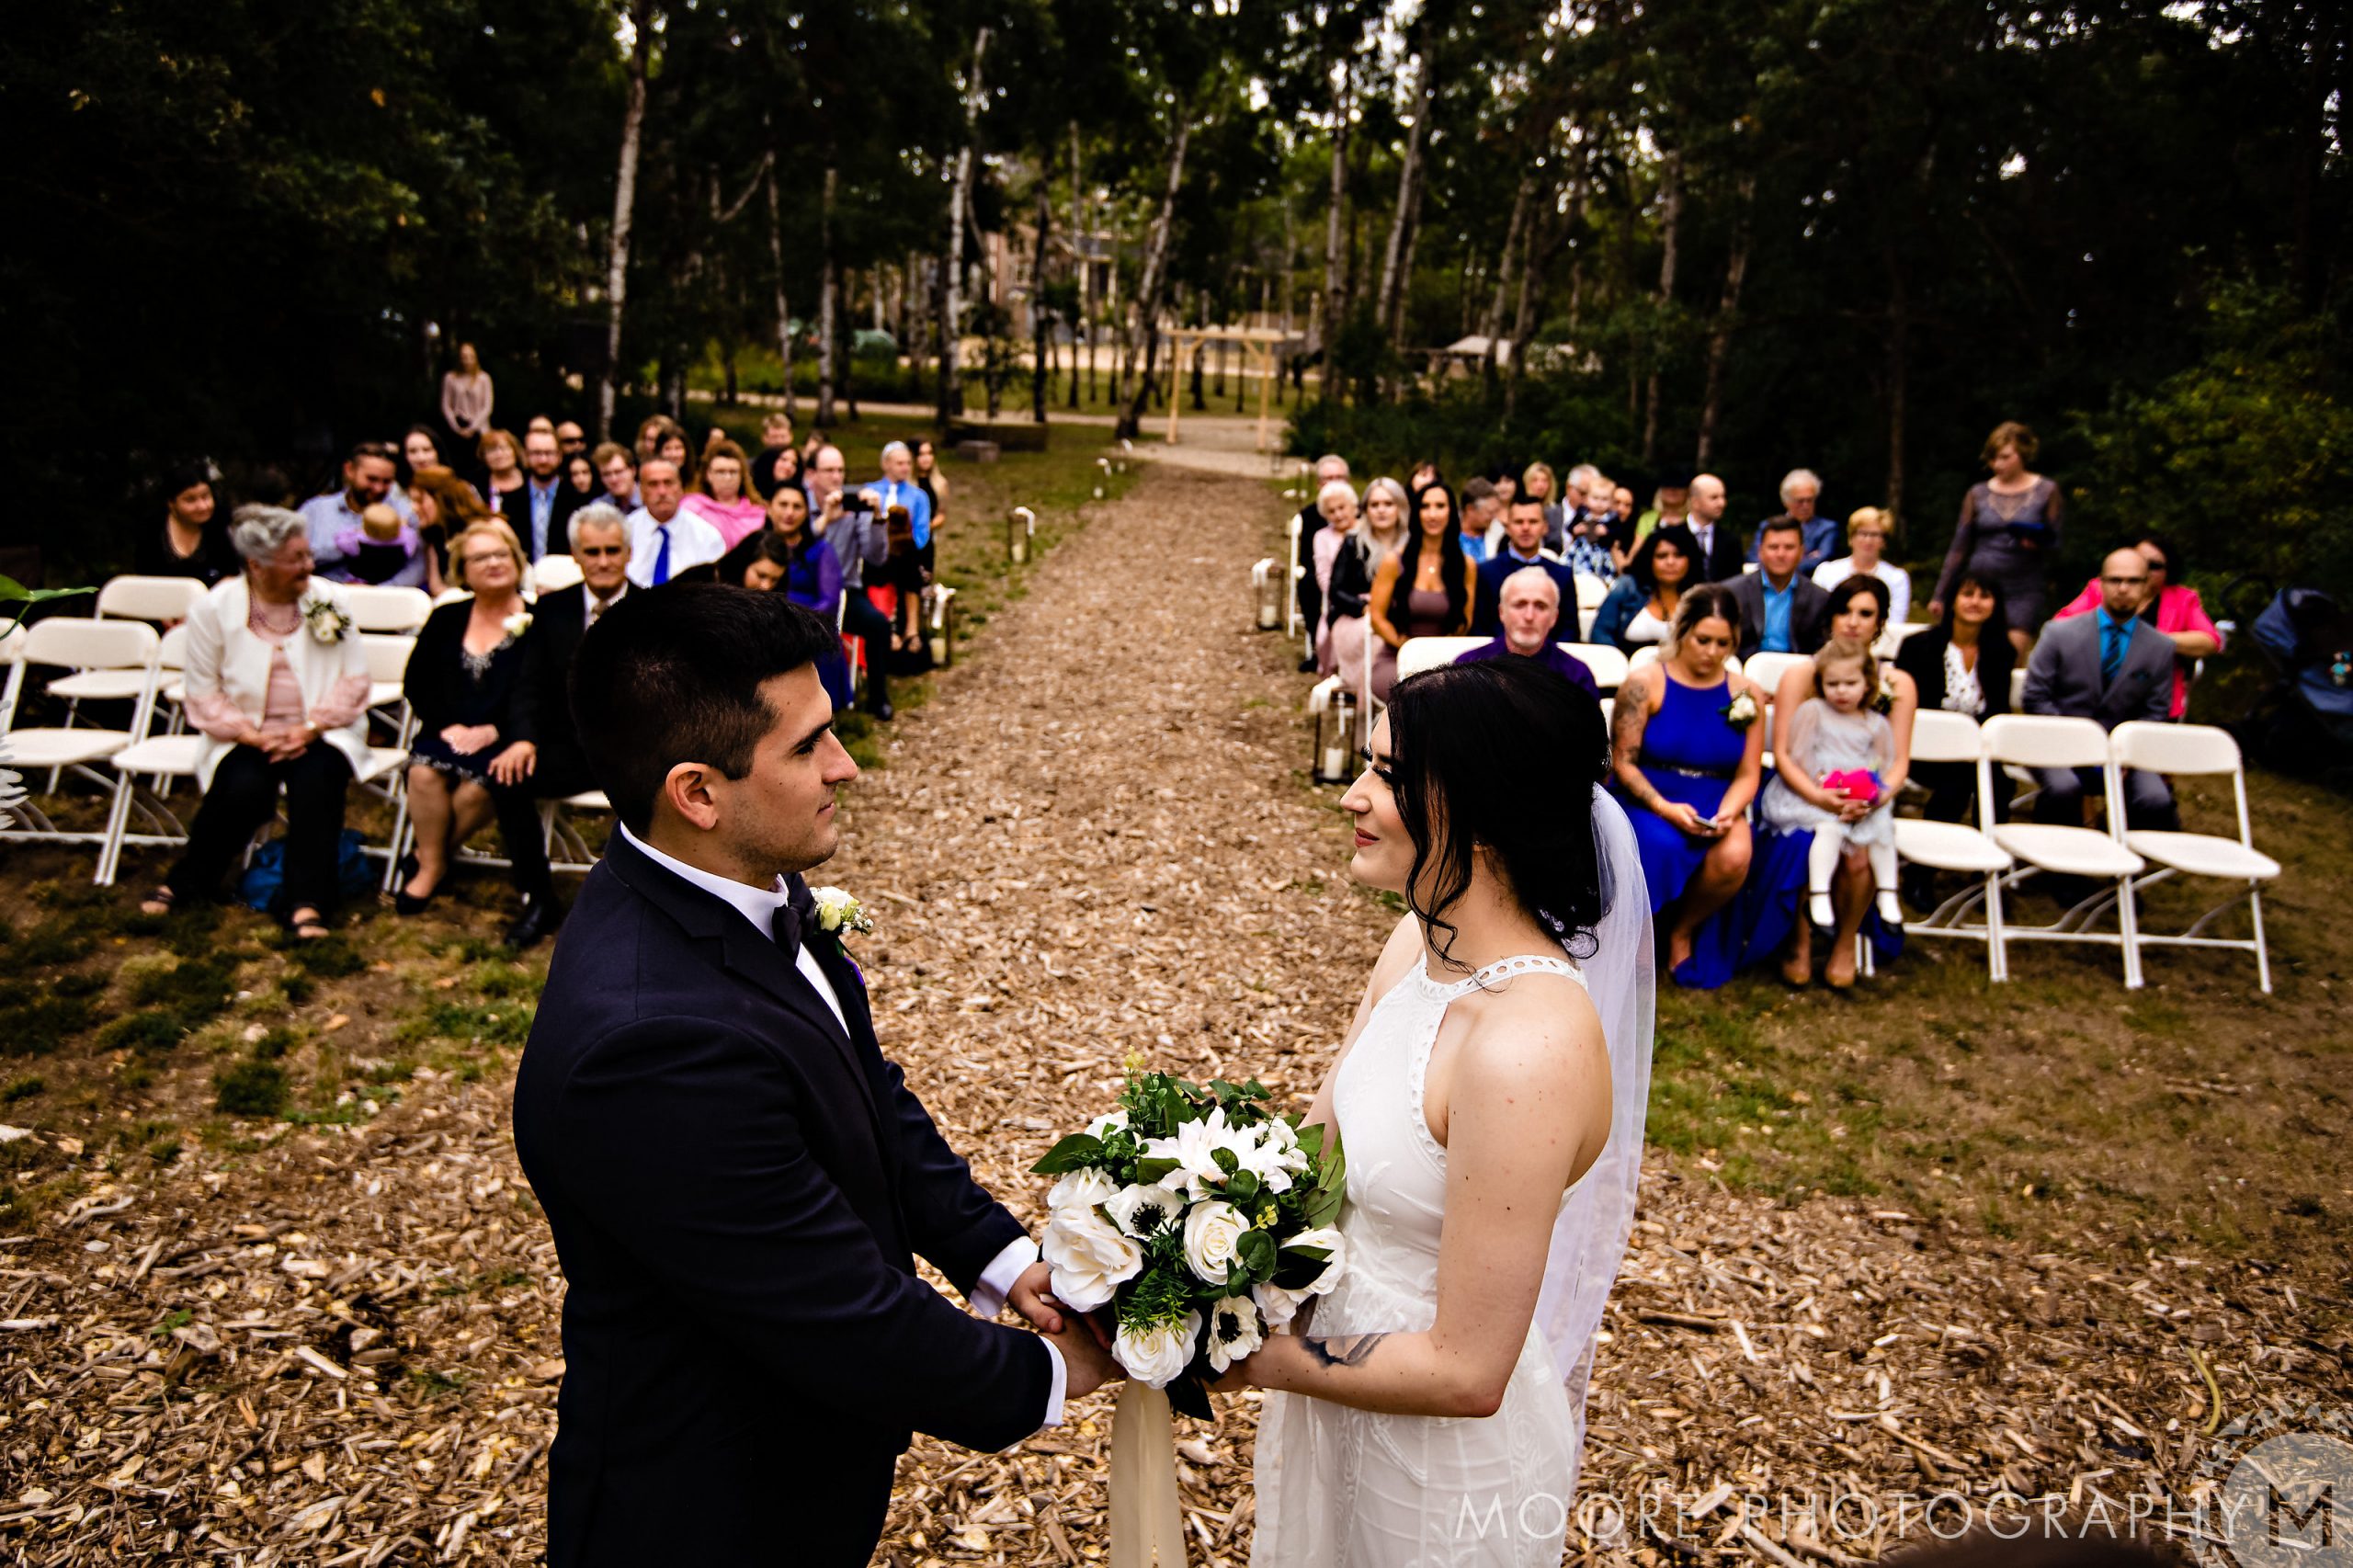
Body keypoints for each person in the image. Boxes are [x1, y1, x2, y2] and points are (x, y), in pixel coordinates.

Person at [512, 585, 1117, 1568]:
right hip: (711, 1504)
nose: (846, 765)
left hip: (808, 1457)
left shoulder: (736, 875)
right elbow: (832, 1308)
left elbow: (863, 1091)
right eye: (807, 747)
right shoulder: (648, 1046)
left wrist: (1004, 1259)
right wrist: (1048, 1368)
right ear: (696, 790)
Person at [1245, 656, 1648, 1568]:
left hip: (1438, 1474)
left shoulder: (1525, 1045)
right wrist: (1195, 1242)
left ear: (1482, 807)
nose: (1352, 795)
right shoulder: (1416, 942)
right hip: (1336, 1395)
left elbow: (1469, 1370)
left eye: (1388, 774)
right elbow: (1318, 1141)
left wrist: (1238, 1351)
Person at [136, 506, 369, 941]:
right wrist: (251, 735)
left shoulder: (330, 600)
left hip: (322, 730)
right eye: (296, 559)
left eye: (306, 555)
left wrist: (310, 728)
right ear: (257, 566)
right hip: (245, 733)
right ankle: (190, 881)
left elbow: (354, 680)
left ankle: (307, 902)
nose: (309, 566)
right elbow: (203, 690)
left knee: (318, 781)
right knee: (244, 787)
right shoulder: (214, 608)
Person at [395, 519, 556, 939]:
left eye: (502, 554)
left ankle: (430, 855)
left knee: (483, 785)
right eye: (480, 557)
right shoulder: (447, 618)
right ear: (462, 570)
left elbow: (542, 691)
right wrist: (449, 726)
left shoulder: (540, 621)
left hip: (505, 737)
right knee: (423, 772)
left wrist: (494, 730)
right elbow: (417, 681)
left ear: (518, 562)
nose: (494, 563)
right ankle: (431, 866)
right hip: (446, 731)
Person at [1609, 585, 1767, 986]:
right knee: (1661, 845)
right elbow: (1623, 763)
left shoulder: (1746, 694)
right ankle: (1637, 940)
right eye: (1703, 640)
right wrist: (1664, 807)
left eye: (1723, 643)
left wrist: (1730, 811)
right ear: (1682, 632)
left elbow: (1750, 772)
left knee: (1735, 853)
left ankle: (1682, 930)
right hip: (1650, 795)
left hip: (1717, 795)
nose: (1712, 652)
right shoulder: (1645, 683)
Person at [510, 506, 633, 940]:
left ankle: (642, 910)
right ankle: (538, 898)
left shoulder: (652, 611)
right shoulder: (552, 609)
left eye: (612, 550)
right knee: (507, 777)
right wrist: (523, 739)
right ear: (577, 557)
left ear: (628, 552)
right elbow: (528, 683)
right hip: (566, 746)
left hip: (634, 750)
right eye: (592, 551)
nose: (603, 561)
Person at [1759, 639, 1902, 984]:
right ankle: (1818, 900)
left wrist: (1868, 795)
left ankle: (1887, 895)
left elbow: (1880, 763)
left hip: (1859, 801)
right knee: (1827, 832)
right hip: (1815, 794)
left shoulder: (1875, 723)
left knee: (1879, 839)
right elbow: (1800, 755)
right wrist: (1826, 789)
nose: (1841, 691)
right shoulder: (1813, 712)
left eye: (1850, 684)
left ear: (1868, 684)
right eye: (1832, 684)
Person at [2018, 547, 2178, 830]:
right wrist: (2075, 741)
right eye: (2115, 580)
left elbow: (2156, 711)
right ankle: (2050, 865)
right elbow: (2035, 695)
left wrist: (2128, 752)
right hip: (2058, 742)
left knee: (2155, 799)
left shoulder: (2160, 648)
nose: (2123, 588)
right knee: (2063, 788)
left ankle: (2126, 861)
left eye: (2133, 581)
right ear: (2101, 583)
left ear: (2147, 586)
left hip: (2123, 753)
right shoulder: (2059, 633)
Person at [2052, 531, 2221, 719]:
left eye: (2154, 566)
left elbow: (2210, 641)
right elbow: (2060, 625)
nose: (2145, 570)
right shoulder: (2101, 589)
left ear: (2168, 571)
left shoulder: (2183, 599)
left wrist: (2150, 640)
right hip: (2090, 694)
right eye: (2139, 561)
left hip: (2153, 702)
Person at [1928, 421, 2061, 652]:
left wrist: (2037, 543)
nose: (1997, 464)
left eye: (2004, 457)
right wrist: (1940, 594)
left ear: (2022, 454)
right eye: (1992, 458)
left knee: (2011, 653)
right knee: (1969, 652)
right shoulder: (1977, 493)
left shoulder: (2046, 491)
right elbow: (1959, 546)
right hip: (1980, 585)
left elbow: (2056, 543)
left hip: (2022, 587)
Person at [1895, 573, 2015, 824]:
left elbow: (1999, 710)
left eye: (1984, 596)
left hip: (1974, 749)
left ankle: (1988, 856)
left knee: (1998, 781)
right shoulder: (1917, 646)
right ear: (1952, 601)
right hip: (1922, 745)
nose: (1975, 602)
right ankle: (1926, 857)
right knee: (1959, 778)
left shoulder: (2002, 652)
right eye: (1968, 594)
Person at [807, 444, 893, 719]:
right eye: (829, 470)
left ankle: (878, 697)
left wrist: (878, 519)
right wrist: (824, 521)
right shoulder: (801, 504)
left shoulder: (854, 506)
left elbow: (876, 557)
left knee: (878, 624)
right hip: (808, 590)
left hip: (847, 590)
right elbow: (801, 554)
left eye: (841, 470)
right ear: (813, 475)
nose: (836, 476)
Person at [1369, 483, 1477, 666]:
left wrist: (1435, 656)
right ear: (1416, 513)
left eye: (1440, 506)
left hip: (1444, 660)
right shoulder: (1393, 561)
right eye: (1425, 506)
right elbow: (1377, 618)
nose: (1432, 514)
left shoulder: (1466, 565)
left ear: (1451, 512)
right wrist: (1409, 648)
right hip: (1398, 657)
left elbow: (1464, 622)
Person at [1325, 477, 1410, 701]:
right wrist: (1364, 607)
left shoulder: (1412, 545)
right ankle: (1375, 703)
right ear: (1366, 510)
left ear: (1400, 507)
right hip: (1356, 618)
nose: (1381, 510)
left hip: (1399, 615)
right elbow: (1335, 590)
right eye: (1374, 505)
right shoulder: (1354, 542)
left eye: (1388, 504)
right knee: (1377, 639)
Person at [1457, 569, 1600, 699]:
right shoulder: (1468, 667)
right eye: (1520, 604)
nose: (1529, 616)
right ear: (1501, 613)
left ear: (1554, 617)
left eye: (1540, 606)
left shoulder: (1577, 676)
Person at [300, 441, 415, 578]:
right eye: (372, 479)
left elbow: (415, 567)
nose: (378, 488)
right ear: (349, 470)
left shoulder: (404, 513)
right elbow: (293, 559)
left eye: (386, 482)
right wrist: (351, 545)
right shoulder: (316, 510)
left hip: (384, 595)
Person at [863, 442, 936, 653]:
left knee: (908, 562)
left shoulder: (918, 496)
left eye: (908, 463)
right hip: (876, 554)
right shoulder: (871, 490)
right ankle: (888, 627)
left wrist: (904, 544)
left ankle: (910, 629)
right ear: (886, 464)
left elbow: (922, 532)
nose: (905, 468)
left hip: (906, 555)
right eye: (899, 463)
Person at [1473, 495, 1580, 635]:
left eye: (1533, 522)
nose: (1526, 528)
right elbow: (1481, 629)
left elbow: (1570, 632)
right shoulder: (1486, 572)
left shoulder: (1562, 575)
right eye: (1519, 522)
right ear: (1508, 527)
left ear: (1545, 527)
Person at [1726, 516, 1831, 658]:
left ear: (1801, 552)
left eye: (1789, 547)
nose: (1781, 554)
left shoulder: (1820, 598)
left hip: (1800, 672)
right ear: (1760, 551)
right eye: (1773, 547)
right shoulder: (1732, 593)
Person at [1588, 524, 1698, 654]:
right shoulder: (1627, 586)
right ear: (1649, 559)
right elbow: (1600, 632)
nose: (1670, 562)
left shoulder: (1700, 595)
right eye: (1662, 556)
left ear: (1691, 559)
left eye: (1678, 555)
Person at [623, 459, 725, 588]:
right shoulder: (625, 531)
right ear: (642, 491)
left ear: (680, 488)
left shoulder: (707, 535)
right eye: (653, 484)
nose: (662, 492)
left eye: (668, 483)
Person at [137, 463, 240, 587]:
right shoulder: (152, 528)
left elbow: (234, 574)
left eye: (205, 496)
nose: (202, 506)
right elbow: (145, 579)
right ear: (171, 503)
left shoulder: (222, 522)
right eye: (190, 500)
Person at [1293, 453, 1352, 660]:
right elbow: (1306, 557)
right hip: (1321, 571)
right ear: (1319, 484)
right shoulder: (1310, 515)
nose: (1334, 483)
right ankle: (1318, 646)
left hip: (1356, 576)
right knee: (1307, 584)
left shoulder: (1359, 512)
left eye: (1339, 477)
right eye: (1328, 478)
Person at [1813, 506, 1912, 627]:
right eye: (1862, 533)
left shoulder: (1897, 578)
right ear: (1851, 538)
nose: (1868, 540)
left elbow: (1895, 623)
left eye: (1875, 535)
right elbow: (1817, 616)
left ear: (1883, 542)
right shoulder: (1826, 571)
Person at [499, 427, 586, 562]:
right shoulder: (511, 502)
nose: (543, 460)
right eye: (536, 453)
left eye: (549, 453)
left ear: (559, 456)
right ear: (526, 456)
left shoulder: (579, 501)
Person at [407, 465, 491, 597]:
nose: (414, 508)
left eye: (420, 501)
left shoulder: (485, 530)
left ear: (441, 498)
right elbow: (436, 585)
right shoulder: (433, 534)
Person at [1307, 480, 1359, 676]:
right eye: (1331, 511)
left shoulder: (1366, 530)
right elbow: (1323, 574)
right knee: (1325, 637)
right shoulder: (1322, 536)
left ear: (1353, 506)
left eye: (1342, 508)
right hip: (1338, 600)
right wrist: (1342, 597)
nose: (1338, 514)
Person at [682, 438, 767, 549]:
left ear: (742, 476)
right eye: (720, 472)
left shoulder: (757, 512)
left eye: (733, 472)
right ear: (708, 475)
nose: (727, 478)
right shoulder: (692, 508)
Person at [1749, 469, 1837, 574]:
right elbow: (1753, 557)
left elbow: (1822, 561)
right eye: (1800, 501)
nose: (1806, 506)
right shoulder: (1768, 526)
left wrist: (1777, 564)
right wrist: (1805, 557)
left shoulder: (1827, 528)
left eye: (1810, 500)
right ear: (1786, 502)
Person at [332, 501, 428, 588]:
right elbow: (411, 534)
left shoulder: (357, 543)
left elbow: (339, 539)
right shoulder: (405, 544)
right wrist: (402, 526)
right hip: (389, 579)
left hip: (359, 582)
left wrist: (356, 530)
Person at [440, 343, 494, 473]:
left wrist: (472, 427)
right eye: (464, 357)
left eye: (471, 356)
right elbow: (446, 405)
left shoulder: (484, 378)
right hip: (458, 427)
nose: (468, 360)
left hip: (479, 429)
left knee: (481, 464)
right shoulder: (450, 378)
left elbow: (487, 406)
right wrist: (457, 428)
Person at [1682, 473, 1746, 582]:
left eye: (1723, 497)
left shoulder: (1731, 541)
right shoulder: (1672, 537)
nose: (1722, 503)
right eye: (1714, 498)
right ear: (1695, 502)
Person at [479, 427, 528, 519]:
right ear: (484, 457)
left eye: (504, 448)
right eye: (491, 450)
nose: (499, 455)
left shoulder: (530, 479)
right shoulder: (478, 485)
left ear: (515, 451)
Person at [1635, 471, 1691, 541]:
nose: (1673, 489)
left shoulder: (1693, 518)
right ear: (1660, 491)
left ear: (1686, 492)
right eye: (1668, 485)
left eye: (1679, 486)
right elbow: (1638, 548)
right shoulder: (1647, 519)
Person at [1457, 477, 1501, 564]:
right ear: (1470, 509)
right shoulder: (1448, 534)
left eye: (1496, 511)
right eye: (1490, 512)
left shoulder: (1499, 533)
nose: (1494, 517)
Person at [1521, 460, 1565, 547]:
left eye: (1545, 481)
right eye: (1535, 480)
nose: (1540, 485)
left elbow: (1556, 542)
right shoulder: (1519, 508)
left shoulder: (1555, 511)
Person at [591, 442, 642, 514]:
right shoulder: (598, 508)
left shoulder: (650, 501)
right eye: (606, 474)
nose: (614, 479)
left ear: (633, 470)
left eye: (618, 472)